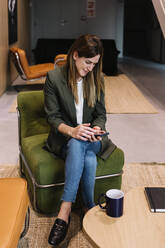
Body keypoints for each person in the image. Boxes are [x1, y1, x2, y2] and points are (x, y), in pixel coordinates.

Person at [44, 34, 116, 246]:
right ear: (75, 55)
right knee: (85, 153)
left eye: (94, 64)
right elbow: (53, 117)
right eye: (87, 62)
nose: (91, 68)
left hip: (92, 137)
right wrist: (73, 131)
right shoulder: (54, 78)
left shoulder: (97, 78)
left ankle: (63, 213)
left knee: (82, 143)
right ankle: (88, 206)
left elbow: (101, 114)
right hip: (66, 138)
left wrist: (97, 128)